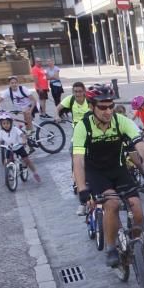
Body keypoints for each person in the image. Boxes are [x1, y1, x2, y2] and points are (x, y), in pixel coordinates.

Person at [73, 88, 144, 266]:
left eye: (111, 106)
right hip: (96, 173)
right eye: (103, 107)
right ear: (91, 107)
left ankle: (135, 244)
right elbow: (78, 160)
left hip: (118, 169)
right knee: (112, 204)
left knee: (137, 209)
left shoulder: (121, 121)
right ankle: (111, 247)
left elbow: (141, 146)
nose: (108, 111)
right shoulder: (83, 127)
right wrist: (82, 188)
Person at [57, 82, 94, 214]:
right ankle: (77, 180)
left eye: (80, 91)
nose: (78, 94)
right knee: (75, 156)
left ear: (84, 91)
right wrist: (57, 116)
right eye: (75, 91)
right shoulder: (70, 100)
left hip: (90, 131)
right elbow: (58, 107)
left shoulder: (89, 101)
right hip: (78, 133)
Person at [0, 112, 41, 183]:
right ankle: (9, 173)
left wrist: (24, 140)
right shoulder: (2, 132)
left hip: (18, 147)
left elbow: (22, 135)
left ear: (11, 123)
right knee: (6, 162)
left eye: (7, 123)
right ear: (1, 125)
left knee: (26, 160)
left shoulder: (15, 129)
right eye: (4, 124)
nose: (6, 125)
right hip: (9, 148)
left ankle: (35, 173)